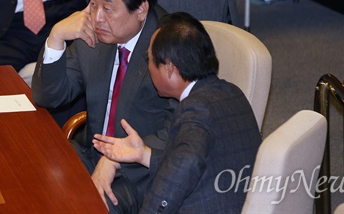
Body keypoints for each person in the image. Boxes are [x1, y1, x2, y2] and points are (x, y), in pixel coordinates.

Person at [31, 0, 177, 214]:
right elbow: (49, 96)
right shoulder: (94, 34)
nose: (96, 17)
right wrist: (56, 37)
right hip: (91, 153)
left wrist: (116, 159)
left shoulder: (168, 46)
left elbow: (181, 127)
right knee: (29, 176)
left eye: (107, 8)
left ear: (141, 10)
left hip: (137, 172)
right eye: (92, 3)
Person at [92, 12, 262, 213]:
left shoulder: (194, 111)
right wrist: (145, 155)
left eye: (150, 59)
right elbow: (198, 161)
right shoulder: (233, 93)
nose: (148, 67)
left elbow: (187, 164)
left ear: (169, 68)